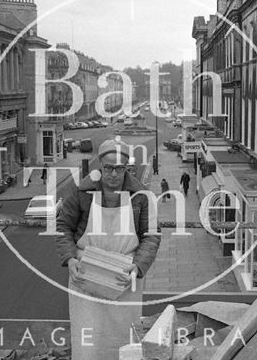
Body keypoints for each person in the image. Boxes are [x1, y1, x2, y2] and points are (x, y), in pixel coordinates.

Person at [55, 136, 161, 359]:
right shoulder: (82, 192)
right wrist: (71, 258)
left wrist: (138, 266)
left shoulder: (140, 196)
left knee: (123, 341)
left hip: (124, 275)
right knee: (88, 341)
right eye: (109, 168)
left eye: (119, 168)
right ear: (101, 167)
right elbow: (63, 226)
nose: (113, 174)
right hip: (87, 273)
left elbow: (151, 235)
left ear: (126, 168)